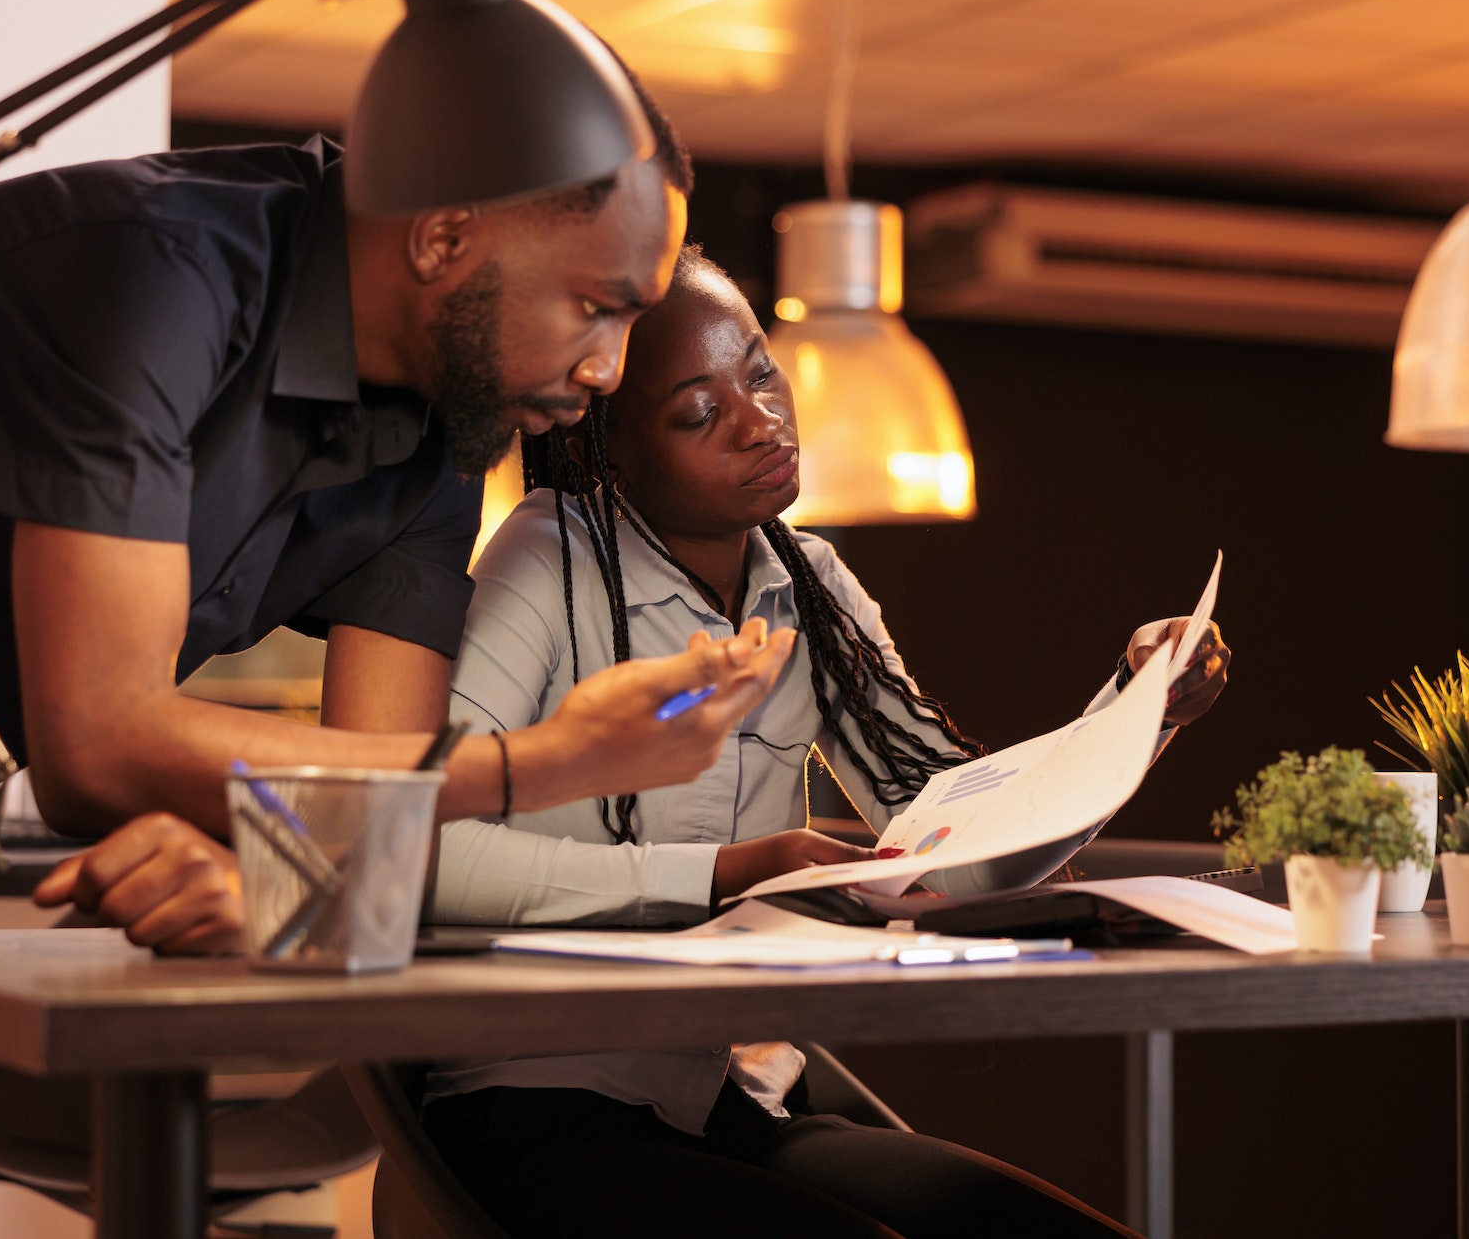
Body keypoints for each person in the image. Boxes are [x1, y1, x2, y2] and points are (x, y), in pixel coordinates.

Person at [0, 75, 792, 941]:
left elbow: (371, 797)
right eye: (594, 304)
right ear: (444, 237)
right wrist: (547, 761)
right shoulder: (151, 273)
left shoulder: (446, 428)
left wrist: (276, 876)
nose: (607, 367)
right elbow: (98, 748)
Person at [421, 245, 1230, 1239]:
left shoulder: (811, 584)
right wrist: (721, 873)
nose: (758, 419)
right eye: (696, 410)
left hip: (737, 1099)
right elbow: (427, 852)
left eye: (757, 370)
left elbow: (954, 848)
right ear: (610, 446)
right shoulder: (546, 558)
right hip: (539, 1109)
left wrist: (1139, 707)